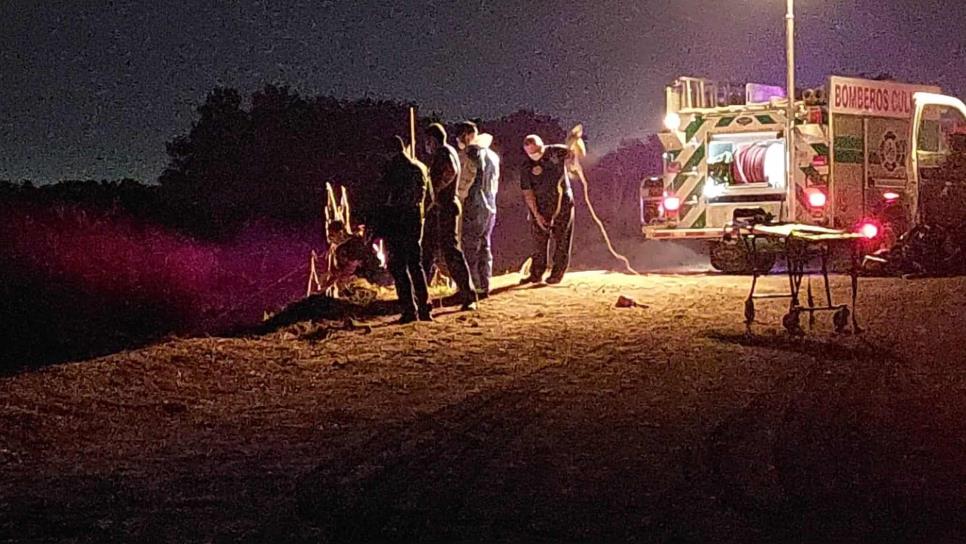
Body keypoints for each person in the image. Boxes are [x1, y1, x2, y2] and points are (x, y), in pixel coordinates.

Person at [421, 123, 478, 310]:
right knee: (427, 251)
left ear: (432, 140)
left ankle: (468, 295)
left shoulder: (444, 153)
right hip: (440, 209)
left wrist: (436, 193)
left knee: (451, 252)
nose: (425, 145)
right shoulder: (448, 151)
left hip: (443, 209)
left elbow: (450, 171)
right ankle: (420, 296)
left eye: (427, 141)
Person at [379, 136, 433, 323]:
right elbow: (430, 198)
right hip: (415, 219)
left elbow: (386, 199)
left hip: (397, 221)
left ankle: (409, 309)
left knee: (398, 266)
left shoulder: (392, 170)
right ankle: (425, 307)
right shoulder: (419, 167)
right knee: (415, 264)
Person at [519, 134, 576, 284]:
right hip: (540, 206)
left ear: (542, 145)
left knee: (562, 238)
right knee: (538, 241)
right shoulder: (526, 165)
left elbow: (573, 152)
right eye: (531, 153)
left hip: (562, 203)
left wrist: (573, 159)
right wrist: (536, 214)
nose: (535, 155)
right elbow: (527, 191)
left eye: (537, 151)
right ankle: (536, 273)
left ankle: (557, 273)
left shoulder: (556, 151)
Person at [455, 121, 500, 298]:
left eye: (459, 137)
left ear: (466, 135)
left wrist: (456, 197)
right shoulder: (493, 156)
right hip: (490, 206)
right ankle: (484, 285)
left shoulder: (471, 154)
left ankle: (470, 287)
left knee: (469, 248)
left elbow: (465, 181)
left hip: (473, 205)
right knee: (484, 246)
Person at [319, 220, 383, 294]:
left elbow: (351, 266)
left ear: (340, 233)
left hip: (368, 277)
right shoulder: (341, 248)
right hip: (357, 279)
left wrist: (335, 276)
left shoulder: (354, 243)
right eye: (329, 235)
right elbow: (342, 270)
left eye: (332, 235)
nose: (330, 239)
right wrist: (329, 278)